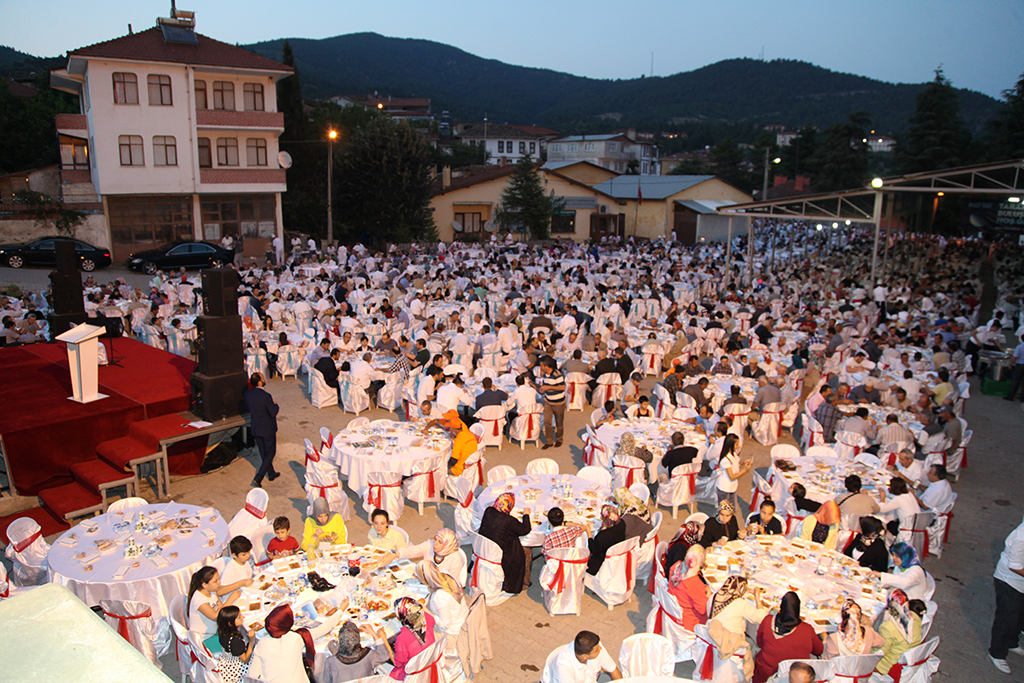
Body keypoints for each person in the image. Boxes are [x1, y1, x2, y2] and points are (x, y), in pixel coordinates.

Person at [249, 602, 345, 683]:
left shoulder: (262, 643)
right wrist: (341, 609)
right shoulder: (296, 638)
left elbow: (253, 674)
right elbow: (324, 628)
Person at [753, 592, 824, 683]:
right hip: (796, 676)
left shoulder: (768, 621)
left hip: (765, 673)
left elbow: (760, 643)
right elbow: (818, 651)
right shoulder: (806, 629)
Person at [989, 513, 1024, 674]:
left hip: (1020, 584)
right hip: (1009, 582)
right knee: (1006, 618)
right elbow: (1015, 566)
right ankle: (997, 653)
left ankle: (1012, 641)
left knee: (1018, 616)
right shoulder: (1021, 537)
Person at [478, 493, 532, 593]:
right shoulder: (508, 521)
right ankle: (524, 583)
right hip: (502, 553)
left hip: (485, 547)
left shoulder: (488, 511)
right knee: (527, 552)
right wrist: (526, 515)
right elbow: (525, 530)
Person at [323, 621, 393, 683]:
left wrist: (336, 653)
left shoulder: (330, 662)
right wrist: (374, 634)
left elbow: (327, 680)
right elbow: (385, 656)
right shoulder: (368, 655)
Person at [541, 630, 623, 683]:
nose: (601, 649)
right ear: (585, 656)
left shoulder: (596, 648)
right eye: (596, 650)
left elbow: (613, 670)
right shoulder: (564, 665)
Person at [244, 373, 280, 488]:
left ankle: (271, 473)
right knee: (270, 452)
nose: (264, 379)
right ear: (259, 382)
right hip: (267, 428)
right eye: (263, 378)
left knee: (263, 452)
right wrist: (276, 405)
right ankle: (259, 477)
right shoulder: (266, 396)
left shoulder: (248, 394)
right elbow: (273, 412)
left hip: (256, 427)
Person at [875, 589, 923, 676]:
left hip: (886, 667)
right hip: (906, 664)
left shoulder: (888, 627)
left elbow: (879, 654)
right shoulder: (915, 619)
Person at [417, 560, 468, 637]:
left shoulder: (440, 597)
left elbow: (445, 625)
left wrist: (426, 611)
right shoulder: (446, 576)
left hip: (452, 631)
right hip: (461, 617)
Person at [390, 597, 437, 680]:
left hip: (413, 673)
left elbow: (397, 663)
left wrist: (383, 639)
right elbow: (432, 622)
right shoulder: (427, 617)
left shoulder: (402, 639)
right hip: (429, 662)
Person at [187, 566, 240, 636]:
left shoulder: (212, 591)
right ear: (204, 585)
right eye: (215, 581)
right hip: (205, 636)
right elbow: (216, 616)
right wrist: (231, 599)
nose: (219, 582)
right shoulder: (199, 600)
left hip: (216, 631)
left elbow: (221, 607)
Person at [667, 545, 710, 630]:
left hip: (674, 611)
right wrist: (708, 595)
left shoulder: (675, 567)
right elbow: (703, 610)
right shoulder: (695, 584)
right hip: (688, 620)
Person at [535, 356, 567, 448]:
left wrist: (549, 387)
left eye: (541, 365)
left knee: (559, 422)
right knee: (547, 422)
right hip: (548, 401)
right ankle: (549, 441)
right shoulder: (545, 375)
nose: (540, 367)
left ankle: (559, 439)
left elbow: (562, 387)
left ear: (546, 366)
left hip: (558, 402)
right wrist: (542, 389)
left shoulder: (557, 374)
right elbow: (545, 386)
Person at [587, 504, 626, 575]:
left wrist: (589, 534)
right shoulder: (622, 524)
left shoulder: (602, 536)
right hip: (617, 559)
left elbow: (593, 550)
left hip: (601, 565)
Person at [716, 434, 752, 510]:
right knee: (725, 511)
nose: (738, 446)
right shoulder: (725, 459)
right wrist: (745, 470)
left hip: (732, 487)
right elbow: (732, 476)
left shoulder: (733, 454)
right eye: (736, 444)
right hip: (725, 489)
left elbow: (734, 466)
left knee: (732, 509)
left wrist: (742, 463)